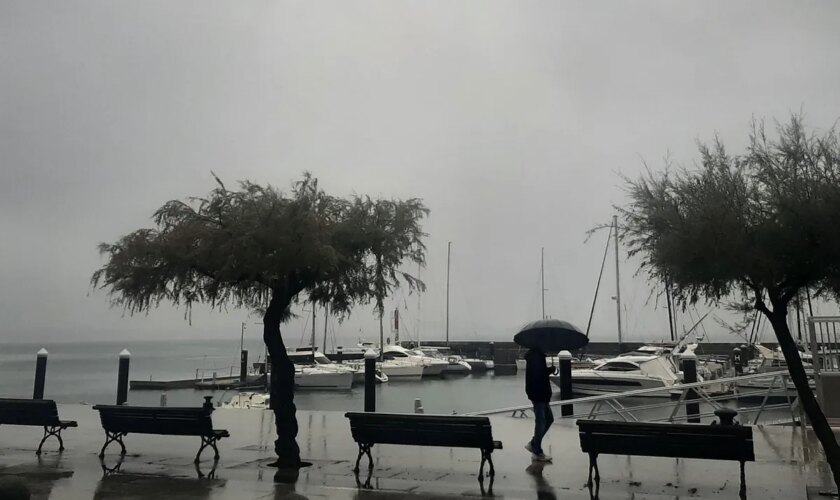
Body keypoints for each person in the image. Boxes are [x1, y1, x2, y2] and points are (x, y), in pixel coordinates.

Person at [525, 347, 556, 462]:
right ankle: (536, 450)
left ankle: (534, 443)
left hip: (539, 393)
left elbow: (538, 373)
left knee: (548, 419)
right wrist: (550, 370)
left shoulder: (536, 356)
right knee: (541, 421)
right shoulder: (536, 357)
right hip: (539, 393)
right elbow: (539, 375)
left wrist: (548, 370)